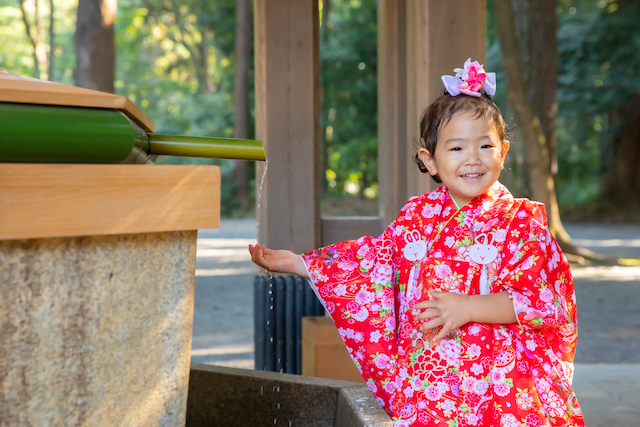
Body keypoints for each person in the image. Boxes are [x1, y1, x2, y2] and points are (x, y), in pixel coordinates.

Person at [249, 59, 584, 427]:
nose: (472, 158)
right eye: (456, 149)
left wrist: (470, 307)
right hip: (430, 375)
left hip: (498, 383)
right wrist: (302, 264)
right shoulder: (418, 215)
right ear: (430, 161)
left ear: (502, 152)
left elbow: (543, 300)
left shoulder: (520, 223)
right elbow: (376, 262)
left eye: (485, 145)